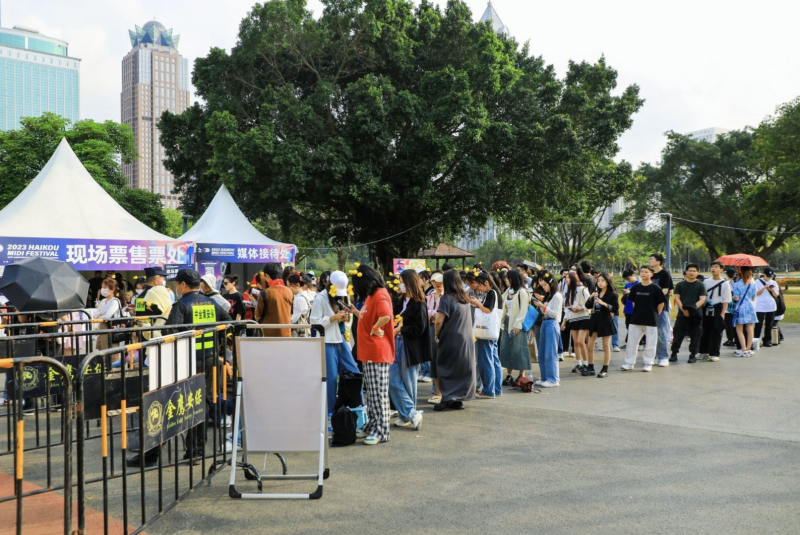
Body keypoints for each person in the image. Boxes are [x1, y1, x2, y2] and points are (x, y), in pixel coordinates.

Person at [127, 269, 231, 467]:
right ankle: (196, 452)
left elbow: (169, 332)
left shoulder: (181, 305)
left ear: (183, 285)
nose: (176, 287)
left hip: (185, 360)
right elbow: (228, 322)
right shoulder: (211, 302)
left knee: (162, 402)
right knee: (200, 402)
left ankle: (151, 455)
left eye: (177, 284)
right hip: (208, 359)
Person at [347, 265, 394, 445]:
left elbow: (386, 316)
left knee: (378, 394)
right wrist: (357, 312)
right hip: (370, 352)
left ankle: (381, 431)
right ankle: (373, 424)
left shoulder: (380, 294)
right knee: (373, 394)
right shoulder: (372, 296)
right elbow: (370, 317)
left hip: (377, 352)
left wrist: (376, 329)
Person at [310, 270, 360, 412]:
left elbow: (345, 319)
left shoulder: (341, 297)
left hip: (341, 339)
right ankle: (331, 414)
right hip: (327, 342)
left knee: (354, 373)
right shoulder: (320, 298)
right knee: (331, 380)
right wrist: (333, 318)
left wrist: (343, 319)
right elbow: (314, 323)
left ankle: (356, 408)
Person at [390, 270, 430, 430]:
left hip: (410, 346)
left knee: (409, 382)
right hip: (395, 343)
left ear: (409, 282)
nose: (400, 284)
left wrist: (401, 330)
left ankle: (406, 415)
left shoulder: (419, 303)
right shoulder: (398, 300)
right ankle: (411, 414)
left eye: (402, 281)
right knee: (392, 381)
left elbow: (419, 328)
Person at [433, 270, 476, 411]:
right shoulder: (465, 298)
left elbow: (439, 321)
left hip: (450, 338)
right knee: (460, 370)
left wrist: (436, 334)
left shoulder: (446, 298)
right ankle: (458, 399)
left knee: (446, 367)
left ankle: (447, 398)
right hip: (466, 339)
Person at [621, 266, 667, 372]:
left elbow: (661, 303)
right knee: (631, 342)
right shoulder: (636, 288)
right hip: (636, 319)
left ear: (651, 274)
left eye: (646, 272)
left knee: (650, 343)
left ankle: (648, 363)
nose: (643, 274)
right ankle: (629, 363)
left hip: (651, 319)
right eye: (642, 272)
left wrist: (655, 314)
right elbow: (633, 302)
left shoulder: (656, 288)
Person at [468, 272, 503, 398]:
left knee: (486, 361)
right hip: (492, 332)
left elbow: (487, 310)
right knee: (494, 360)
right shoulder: (496, 293)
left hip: (486, 332)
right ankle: (496, 389)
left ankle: (488, 390)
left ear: (486, 283)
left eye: (480, 286)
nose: (479, 289)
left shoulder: (491, 293)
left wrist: (477, 303)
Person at [499, 269, 531, 385]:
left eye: (508, 278)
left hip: (518, 324)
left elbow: (523, 310)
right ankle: (509, 374)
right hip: (507, 322)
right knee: (507, 348)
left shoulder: (522, 292)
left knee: (519, 349)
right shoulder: (508, 291)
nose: (506, 280)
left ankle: (521, 375)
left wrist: (518, 325)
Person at [670, 263, 707, 364]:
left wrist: (692, 308)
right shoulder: (680, 285)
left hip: (696, 315)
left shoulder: (700, 285)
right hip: (682, 314)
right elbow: (677, 297)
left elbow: (702, 299)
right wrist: (683, 309)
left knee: (695, 335)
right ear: (686, 272)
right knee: (678, 335)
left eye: (694, 271)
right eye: (690, 270)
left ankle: (693, 355)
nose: (691, 273)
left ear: (697, 273)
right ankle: (674, 353)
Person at [531, 270, 563, 387]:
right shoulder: (549, 296)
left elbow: (555, 314)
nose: (543, 287)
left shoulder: (556, 296)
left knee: (550, 352)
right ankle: (544, 377)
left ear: (551, 283)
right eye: (542, 285)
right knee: (543, 352)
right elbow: (545, 311)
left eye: (545, 285)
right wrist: (541, 303)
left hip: (552, 323)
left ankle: (553, 379)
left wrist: (542, 306)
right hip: (545, 322)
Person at [584, 273, 619, 378]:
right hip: (595, 319)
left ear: (607, 282)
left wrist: (604, 303)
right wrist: (590, 297)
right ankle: (591, 367)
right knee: (590, 345)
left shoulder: (612, 294)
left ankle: (605, 368)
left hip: (605, 319)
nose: (600, 283)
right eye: (598, 281)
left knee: (605, 346)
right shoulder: (596, 293)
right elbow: (587, 306)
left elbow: (615, 308)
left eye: (602, 281)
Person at [698, 261, 731, 362]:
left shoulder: (725, 284)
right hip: (706, 307)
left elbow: (726, 300)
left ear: (721, 269)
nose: (713, 269)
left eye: (716, 267)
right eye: (712, 267)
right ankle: (703, 352)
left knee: (716, 331)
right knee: (704, 330)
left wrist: (722, 314)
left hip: (718, 308)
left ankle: (714, 353)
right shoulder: (706, 282)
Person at [255, 262, 294, 337]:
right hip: (286, 334)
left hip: (268, 335)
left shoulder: (265, 293)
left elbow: (257, 315)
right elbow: (290, 314)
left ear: (267, 275)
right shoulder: (289, 291)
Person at [562, 272, 591, 374]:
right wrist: (564, 321)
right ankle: (579, 363)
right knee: (575, 342)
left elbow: (590, 302)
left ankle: (586, 363)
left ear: (574, 279)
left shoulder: (582, 289)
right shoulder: (568, 291)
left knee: (580, 341)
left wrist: (581, 308)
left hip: (583, 317)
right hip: (573, 318)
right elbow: (567, 308)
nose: (566, 280)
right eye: (566, 278)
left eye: (568, 278)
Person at [649, 253, 674, 367]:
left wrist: (651, 295)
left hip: (661, 307)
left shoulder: (664, 274)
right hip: (649, 308)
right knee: (650, 333)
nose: (649, 261)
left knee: (662, 332)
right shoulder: (649, 273)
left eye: (651, 259)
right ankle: (652, 356)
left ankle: (663, 357)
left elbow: (665, 291)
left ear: (658, 262)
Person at [426, 272, 445, 403]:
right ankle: (438, 392)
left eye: (440, 281)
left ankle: (445, 393)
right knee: (434, 361)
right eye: (435, 281)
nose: (438, 284)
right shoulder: (429, 296)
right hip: (431, 329)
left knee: (443, 361)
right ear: (431, 281)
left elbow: (441, 314)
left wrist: (433, 314)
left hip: (444, 330)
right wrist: (434, 314)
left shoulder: (447, 296)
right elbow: (424, 311)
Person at [93, 278, 125, 353]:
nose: (102, 290)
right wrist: (101, 314)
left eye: (105, 288)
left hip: (110, 329)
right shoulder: (103, 301)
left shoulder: (115, 301)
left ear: (112, 289)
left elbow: (107, 317)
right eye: (102, 287)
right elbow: (94, 315)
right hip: (102, 328)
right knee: (102, 351)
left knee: (111, 353)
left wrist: (101, 315)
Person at [732, 267, 757, 357]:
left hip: (740, 307)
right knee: (750, 329)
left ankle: (743, 349)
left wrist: (734, 298)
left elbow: (737, 298)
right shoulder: (753, 284)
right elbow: (753, 298)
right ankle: (749, 348)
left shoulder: (736, 285)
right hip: (750, 307)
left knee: (739, 330)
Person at [754, 268, 779, 348]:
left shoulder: (774, 282)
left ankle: (767, 341)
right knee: (759, 324)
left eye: (770, 276)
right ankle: (756, 340)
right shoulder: (757, 282)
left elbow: (776, 295)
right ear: (763, 274)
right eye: (767, 276)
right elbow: (756, 293)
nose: (769, 278)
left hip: (771, 306)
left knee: (769, 325)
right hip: (760, 306)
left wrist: (772, 290)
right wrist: (764, 287)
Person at [287, 272, 316, 337]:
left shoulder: (300, 299)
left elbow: (294, 318)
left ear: (297, 285)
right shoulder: (302, 296)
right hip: (303, 330)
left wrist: (284, 321)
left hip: (299, 332)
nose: (288, 288)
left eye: (289, 286)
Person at [723, 268, 738, 347]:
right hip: (735, 306)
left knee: (728, 324)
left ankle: (730, 339)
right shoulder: (737, 283)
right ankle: (736, 338)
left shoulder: (726, 283)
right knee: (734, 323)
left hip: (727, 306)